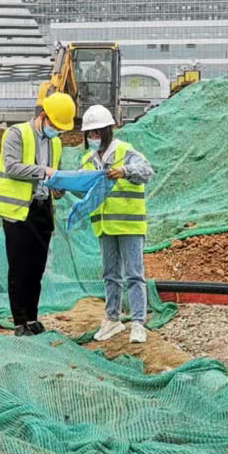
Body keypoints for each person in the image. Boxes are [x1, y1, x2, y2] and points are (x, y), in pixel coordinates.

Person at [0, 91, 75, 334]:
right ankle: (19, 321)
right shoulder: (17, 134)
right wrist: (45, 172)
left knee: (36, 268)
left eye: (62, 128)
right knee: (20, 267)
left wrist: (59, 187)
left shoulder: (56, 142)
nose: (58, 131)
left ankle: (32, 317)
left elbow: (54, 174)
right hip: (18, 210)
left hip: (42, 209)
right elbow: (12, 167)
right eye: (56, 126)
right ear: (43, 117)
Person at [79, 105, 155, 343]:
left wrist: (125, 171)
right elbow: (81, 185)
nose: (93, 138)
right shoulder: (88, 159)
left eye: (97, 133)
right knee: (111, 275)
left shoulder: (125, 151)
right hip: (105, 226)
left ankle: (138, 322)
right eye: (90, 134)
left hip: (129, 225)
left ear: (108, 131)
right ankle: (112, 319)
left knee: (134, 274)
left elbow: (146, 171)